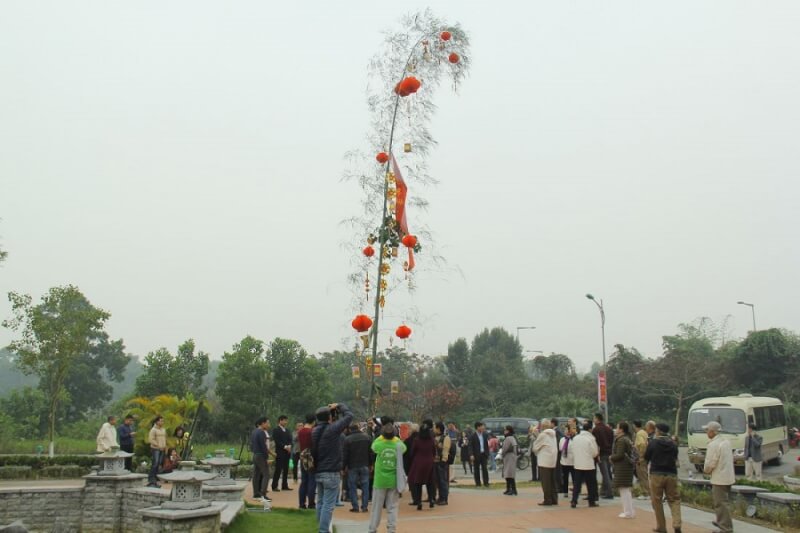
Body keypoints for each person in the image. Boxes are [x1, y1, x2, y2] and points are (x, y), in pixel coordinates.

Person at [312, 402, 353, 533]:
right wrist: (340, 406)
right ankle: (323, 530)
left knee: (321, 502)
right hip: (331, 472)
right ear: (329, 417)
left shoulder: (315, 430)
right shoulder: (332, 429)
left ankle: (320, 527)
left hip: (318, 470)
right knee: (328, 505)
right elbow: (349, 416)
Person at [368, 422, 407, 533]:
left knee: (376, 507)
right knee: (392, 507)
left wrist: (382, 436)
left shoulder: (379, 444)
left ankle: (372, 529)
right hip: (394, 480)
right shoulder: (398, 445)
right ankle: (391, 529)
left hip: (380, 480)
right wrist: (394, 438)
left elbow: (373, 445)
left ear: (382, 434)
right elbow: (404, 447)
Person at [645, 422, 682, 533]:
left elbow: (647, 457)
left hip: (656, 474)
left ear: (658, 431)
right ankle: (677, 523)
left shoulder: (653, 443)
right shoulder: (673, 444)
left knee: (657, 500)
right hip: (671, 474)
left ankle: (661, 527)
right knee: (674, 499)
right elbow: (675, 457)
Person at [704, 421, 734, 533]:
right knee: (724, 503)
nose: (706, 432)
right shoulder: (726, 441)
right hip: (728, 477)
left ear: (712, 431)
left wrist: (706, 471)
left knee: (720, 503)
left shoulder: (713, 444)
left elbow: (711, 462)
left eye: (707, 430)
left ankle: (725, 528)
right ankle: (722, 522)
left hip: (719, 478)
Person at [570, 421, 599, 508]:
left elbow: (572, 450)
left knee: (577, 484)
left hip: (578, 464)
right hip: (589, 464)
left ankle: (574, 501)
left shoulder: (576, 438)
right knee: (591, 484)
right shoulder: (591, 438)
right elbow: (595, 452)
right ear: (590, 429)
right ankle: (591, 501)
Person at [609, 421, 635, 519]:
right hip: (626, 467)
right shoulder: (627, 439)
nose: (616, 429)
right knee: (626, 489)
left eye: (617, 427)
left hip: (622, 467)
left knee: (623, 489)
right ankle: (630, 511)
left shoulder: (621, 440)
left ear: (621, 429)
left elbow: (619, 454)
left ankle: (627, 512)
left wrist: (611, 457)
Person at [409, 420, 436, 510]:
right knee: (430, 482)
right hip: (429, 462)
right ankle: (431, 499)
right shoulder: (431, 440)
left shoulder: (417, 440)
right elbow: (434, 451)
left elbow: (412, 452)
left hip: (419, 462)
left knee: (418, 483)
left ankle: (419, 502)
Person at [343, 423, 371, 513]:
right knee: (365, 486)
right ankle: (364, 506)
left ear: (350, 430)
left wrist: (344, 467)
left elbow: (345, 455)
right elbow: (371, 452)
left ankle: (355, 507)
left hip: (352, 466)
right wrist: (371, 464)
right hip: (365, 464)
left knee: (352, 486)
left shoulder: (347, 439)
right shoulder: (367, 437)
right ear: (358, 428)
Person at [534, 419, 558, 505]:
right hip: (552, 460)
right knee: (552, 481)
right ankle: (554, 499)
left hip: (544, 460)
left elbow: (535, 447)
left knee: (546, 482)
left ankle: (547, 500)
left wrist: (537, 435)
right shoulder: (553, 434)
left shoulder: (543, 435)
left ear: (542, 426)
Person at [592, 413, 614, 500]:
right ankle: (604, 491)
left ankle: (609, 492)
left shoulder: (596, 429)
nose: (593, 420)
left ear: (597, 419)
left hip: (601, 453)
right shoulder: (609, 429)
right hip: (608, 452)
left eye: (594, 418)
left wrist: (597, 454)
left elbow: (596, 443)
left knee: (605, 474)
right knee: (607, 472)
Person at [251, 416, 272, 502]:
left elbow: (251, 445)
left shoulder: (254, 432)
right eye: (267, 423)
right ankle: (263, 494)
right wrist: (266, 457)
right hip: (261, 456)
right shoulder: (262, 432)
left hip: (255, 454)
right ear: (263, 423)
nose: (268, 425)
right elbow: (264, 446)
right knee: (266, 474)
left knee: (256, 474)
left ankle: (256, 494)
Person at [297, 413, 317, 509]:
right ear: (313, 421)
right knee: (312, 481)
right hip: (310, 458)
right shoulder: (312, 431)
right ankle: (311, 503)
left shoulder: (300, 431)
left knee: (304, 481)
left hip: (302, 457)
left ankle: (301, 503)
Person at [272, 414, 293, 491]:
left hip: (287, 452)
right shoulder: (276, 430)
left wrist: (290, 446)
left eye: (286, 420)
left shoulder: (287, 430)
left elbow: (290, 439)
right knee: (278, 469)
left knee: (286, 469)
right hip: (280, 452)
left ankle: (284, 485)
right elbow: (277, 441)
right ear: (280, 421)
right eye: (284, 420)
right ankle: (274, 485)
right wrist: (285, 447)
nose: (286, 422)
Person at [434, 422, 451, 505]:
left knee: (443, 481)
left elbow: (446, 450)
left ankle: (444, 498)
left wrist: (444, 460)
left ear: (438, 428)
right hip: (435, 462)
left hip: (442, 462)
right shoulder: (435, 437)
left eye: (435, 428)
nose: (434, 429)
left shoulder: (445, 438)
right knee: (438, 481)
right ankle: (440, 497)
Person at [147, 415, 166, 488]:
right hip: (156, 449)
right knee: (155, 463)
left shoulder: (163, 429)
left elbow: (164, 439)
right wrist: (158, 446)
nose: (162, 422)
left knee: (159, 463)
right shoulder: (153, 430)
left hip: (162, 449)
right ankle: (151, 478)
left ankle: (155, 477)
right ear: (157, 422)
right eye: (161, 421)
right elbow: (151, 440)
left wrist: (164, 446)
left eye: (163, 421)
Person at [469, 422, 490, 487]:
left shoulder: (485, 434)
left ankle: (486, 483)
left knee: (485, 469)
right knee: (476, 469)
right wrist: (471, 454)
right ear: (478, 427)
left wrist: (487, 453)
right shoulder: (473, 435)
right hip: (476, 455)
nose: (483, 428)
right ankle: (478, 483)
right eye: (481, 426)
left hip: (484, 454)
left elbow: (487, 444)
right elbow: (470, 446)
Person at [633, 420, 650, 499]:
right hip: (645, 457)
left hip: (641, 458)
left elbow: (642, 444)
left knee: (642, 475)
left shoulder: (639, 434)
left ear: (634, 426)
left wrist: (640, 456)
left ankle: (646, 493)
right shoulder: (644, 432)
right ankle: (648, 492)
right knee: (645, 475)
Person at [559, 423, 576, 498]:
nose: (565, 431)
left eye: (566, 429)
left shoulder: (574, 439)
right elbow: (560, 449)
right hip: (564, 462)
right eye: (565, 429)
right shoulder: (562, 439)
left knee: (574, 478)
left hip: (572, 462)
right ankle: (565, 491)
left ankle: (575, 491)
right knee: (565, 477)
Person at [501, 425, 518, 496]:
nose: (504, 431)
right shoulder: (512, 437)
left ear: (508, 431)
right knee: (509, 474)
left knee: (509, 474)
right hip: (511, 457)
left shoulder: (508, 438)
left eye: (505, 430)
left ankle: (513, 490)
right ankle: (509, 489)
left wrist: (502, 454)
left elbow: (505, 448)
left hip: (509, 457)